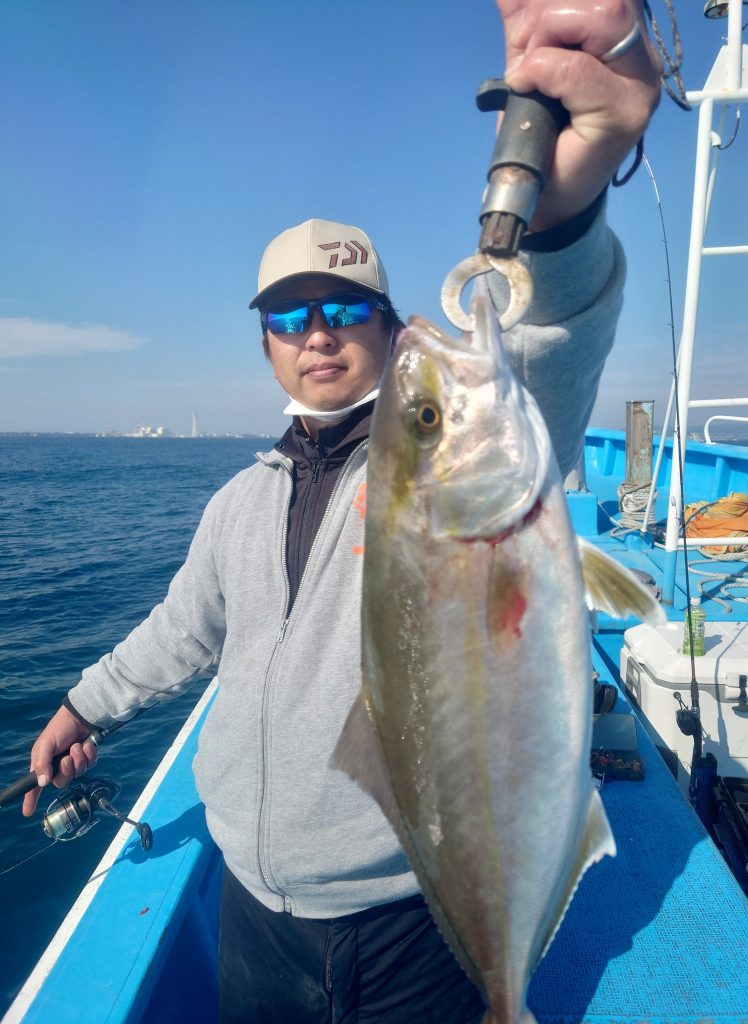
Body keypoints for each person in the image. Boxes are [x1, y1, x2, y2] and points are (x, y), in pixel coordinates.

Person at [23, 1, 661, 1020]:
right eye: (290, 315)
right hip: (254, 913)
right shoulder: (239, 501)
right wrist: (82, 705)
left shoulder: (422, 472)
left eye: (345, 308)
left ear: (389, 325)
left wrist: (564, 212)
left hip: (412, 915)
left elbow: (547, 349)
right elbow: (184, 629)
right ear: (268, 346)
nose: (317, 333)